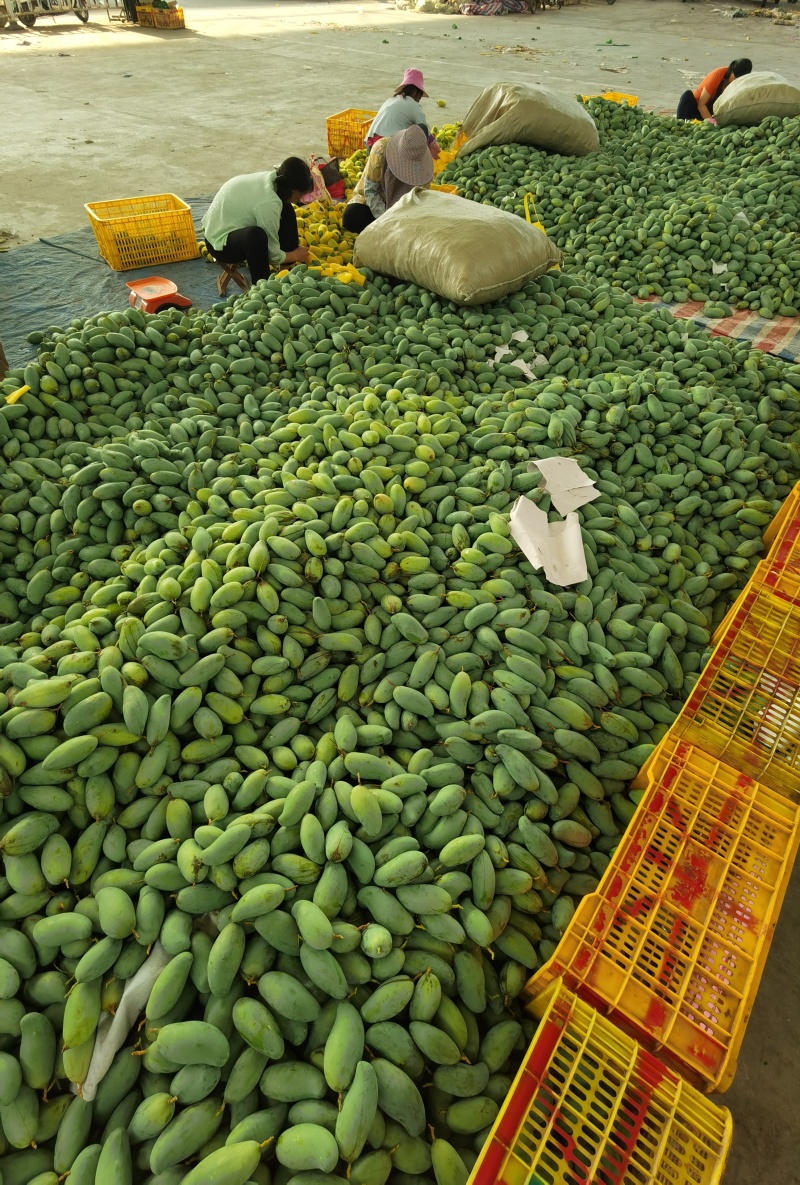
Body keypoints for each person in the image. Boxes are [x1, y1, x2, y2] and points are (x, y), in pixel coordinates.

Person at [203, 158, 313, 290]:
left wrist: (289, 256)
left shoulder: (273, 180)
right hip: (218, 243)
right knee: (256, 237)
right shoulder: (268, 204)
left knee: (287, 209)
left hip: (225, 226)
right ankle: (262, 289)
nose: (302, 199)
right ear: (295, 191)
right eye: (302, 193)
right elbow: (273, 255)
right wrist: (295, 255)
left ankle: (284, 273)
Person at [342, 125, 435, 235]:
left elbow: (419, 199)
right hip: (373, 203)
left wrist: (404, 220)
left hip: (403, 210)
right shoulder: (381, 149)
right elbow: (371, 191)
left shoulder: (425, 168)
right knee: (351, 216)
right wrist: (388, 219)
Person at [365, 69, 431, 149]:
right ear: (415, 92)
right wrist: (436, 151)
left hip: (370, 145)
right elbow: (426, 131)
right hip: (385, 148)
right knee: (421, 129)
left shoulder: (391, 100)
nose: (419, 99)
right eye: (420, 95)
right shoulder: (414, 106)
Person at [676, 59, 753, 122]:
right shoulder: (718, 74)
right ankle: (679, 122)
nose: (736, 82)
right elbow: (701, 105)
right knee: (687, 94)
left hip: (710, 112)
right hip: (695, 107)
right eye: (735, 78)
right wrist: (713, 123)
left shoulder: (740, 83)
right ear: (732, 71)